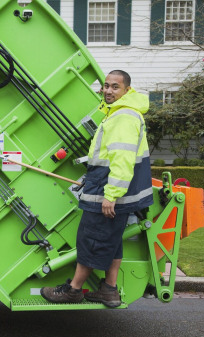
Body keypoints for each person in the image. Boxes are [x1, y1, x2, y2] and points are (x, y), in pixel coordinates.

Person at [40, 70, 154, 307]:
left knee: (91, 239)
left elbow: (122, 160)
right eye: (106, 86)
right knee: (112, 240)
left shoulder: (123, 117)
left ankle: (73, 290)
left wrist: (111, 196)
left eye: (115, 87)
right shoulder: (121, 114)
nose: (109, 91)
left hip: (109, 191)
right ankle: (109, 290)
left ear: (127, 91)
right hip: (110, 187)